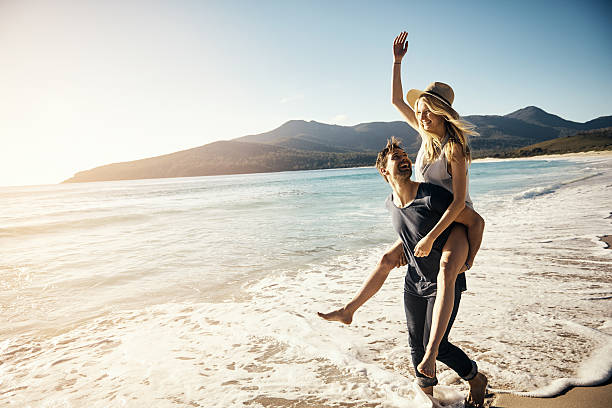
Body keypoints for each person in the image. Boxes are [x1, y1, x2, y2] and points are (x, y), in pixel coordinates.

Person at [318, 138, 487, 408]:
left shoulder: (433, 196)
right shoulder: (391, 204)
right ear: (384, 170)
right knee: (416, 348)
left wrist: (470, 259)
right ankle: (428, 402)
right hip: (415, 282)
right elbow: (409, 236)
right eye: (396, 157)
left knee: (438, 346)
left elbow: (476, 221)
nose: (405, 158)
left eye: (405, 154)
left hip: (445, 281)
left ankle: (475, 377)